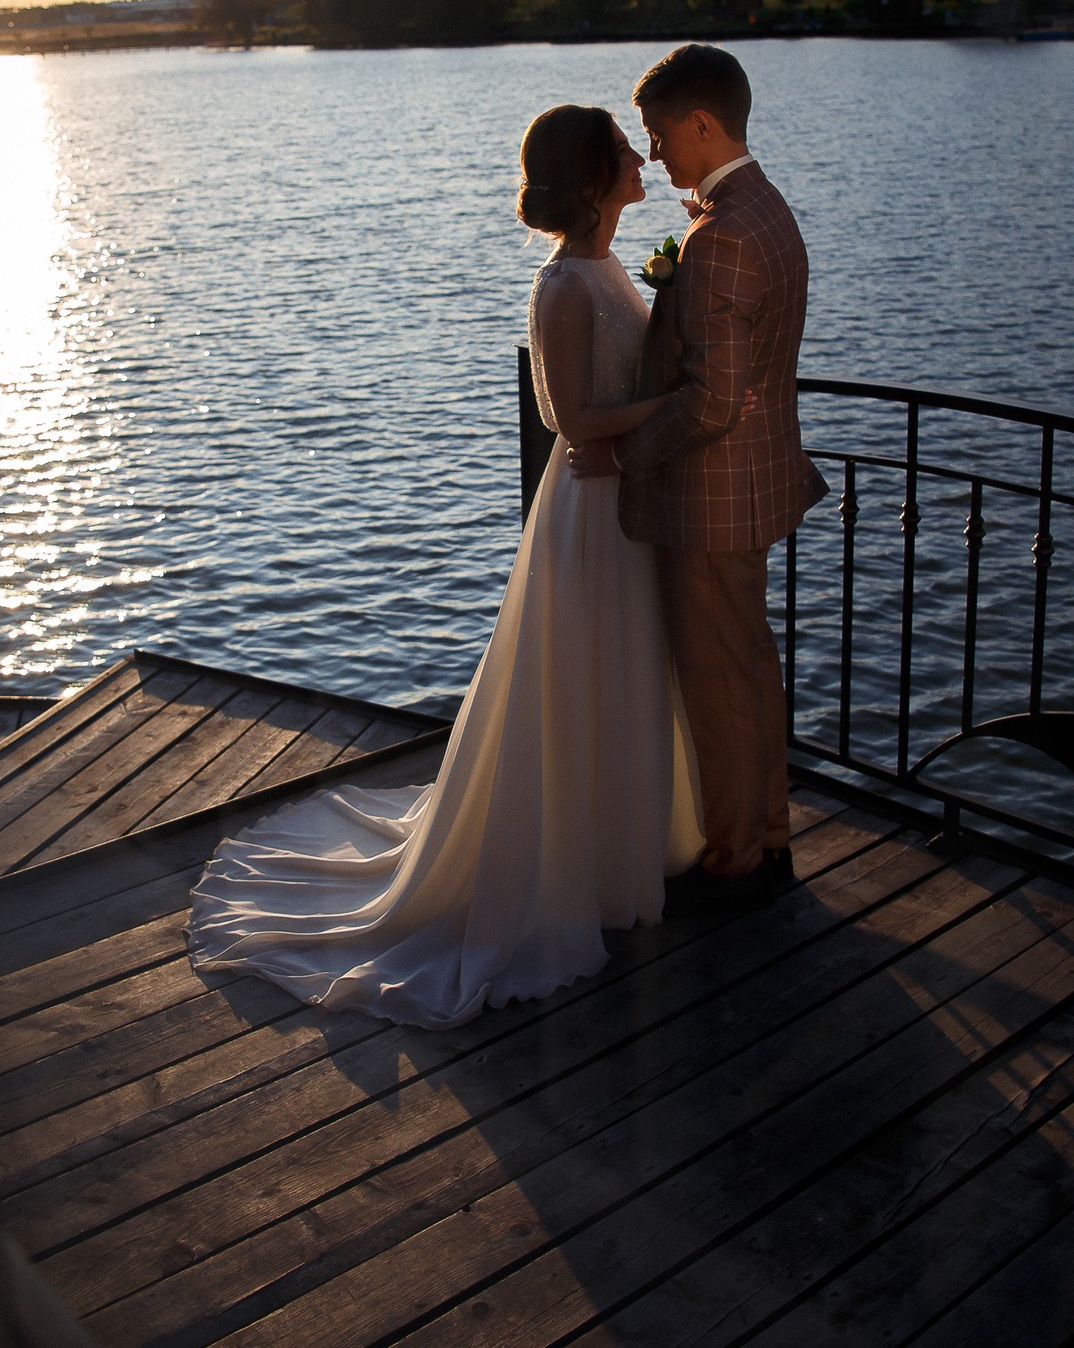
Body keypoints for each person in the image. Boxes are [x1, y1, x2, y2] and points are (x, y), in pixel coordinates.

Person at [185, 105, 703, 1030]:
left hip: (621, 500)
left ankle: (617, 853)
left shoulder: (610, 267)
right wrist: (670, 406)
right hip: (587, 510)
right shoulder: (562, 287)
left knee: (621, 670)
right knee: (581, 671)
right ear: (593, 176)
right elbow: (570, 419)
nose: (640, 157)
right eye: (624, 150)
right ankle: (567, 867)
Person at [569, 44, 827, 915]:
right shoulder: (767, 209)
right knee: (749, 670)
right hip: (751, 486)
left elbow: (713, 400)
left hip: (711, 498)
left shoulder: (721, 238)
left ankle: (733, 863)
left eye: (658, 132)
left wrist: (624, 455)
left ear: (703, 124)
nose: (652, 151)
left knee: (719, 687)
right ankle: (768, 836)